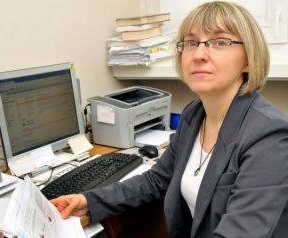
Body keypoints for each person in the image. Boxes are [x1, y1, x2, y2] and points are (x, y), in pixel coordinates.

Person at [51, 1, 288, 237]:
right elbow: (157, 180)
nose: (199, 54)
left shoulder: (269, 135)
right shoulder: (194, 115)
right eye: (191, 43)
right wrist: (89, 201)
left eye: (220, 42)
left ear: (248, 59)